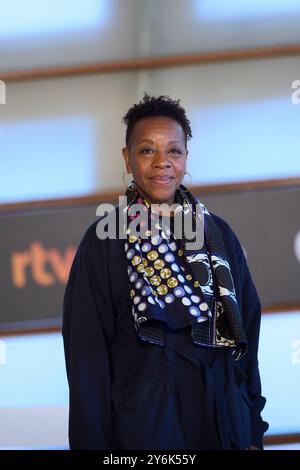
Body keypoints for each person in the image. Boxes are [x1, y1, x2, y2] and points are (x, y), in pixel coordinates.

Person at [62, 94, 269, 450]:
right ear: (127, 159)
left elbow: (246, 337)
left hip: (224, 426)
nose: (163, 163)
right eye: (147, 150)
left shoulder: (218, 235)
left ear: (186, 157)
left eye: (174, 151)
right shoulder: (104, 242)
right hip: (147, 434)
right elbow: (86, 363)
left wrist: (251, 430)